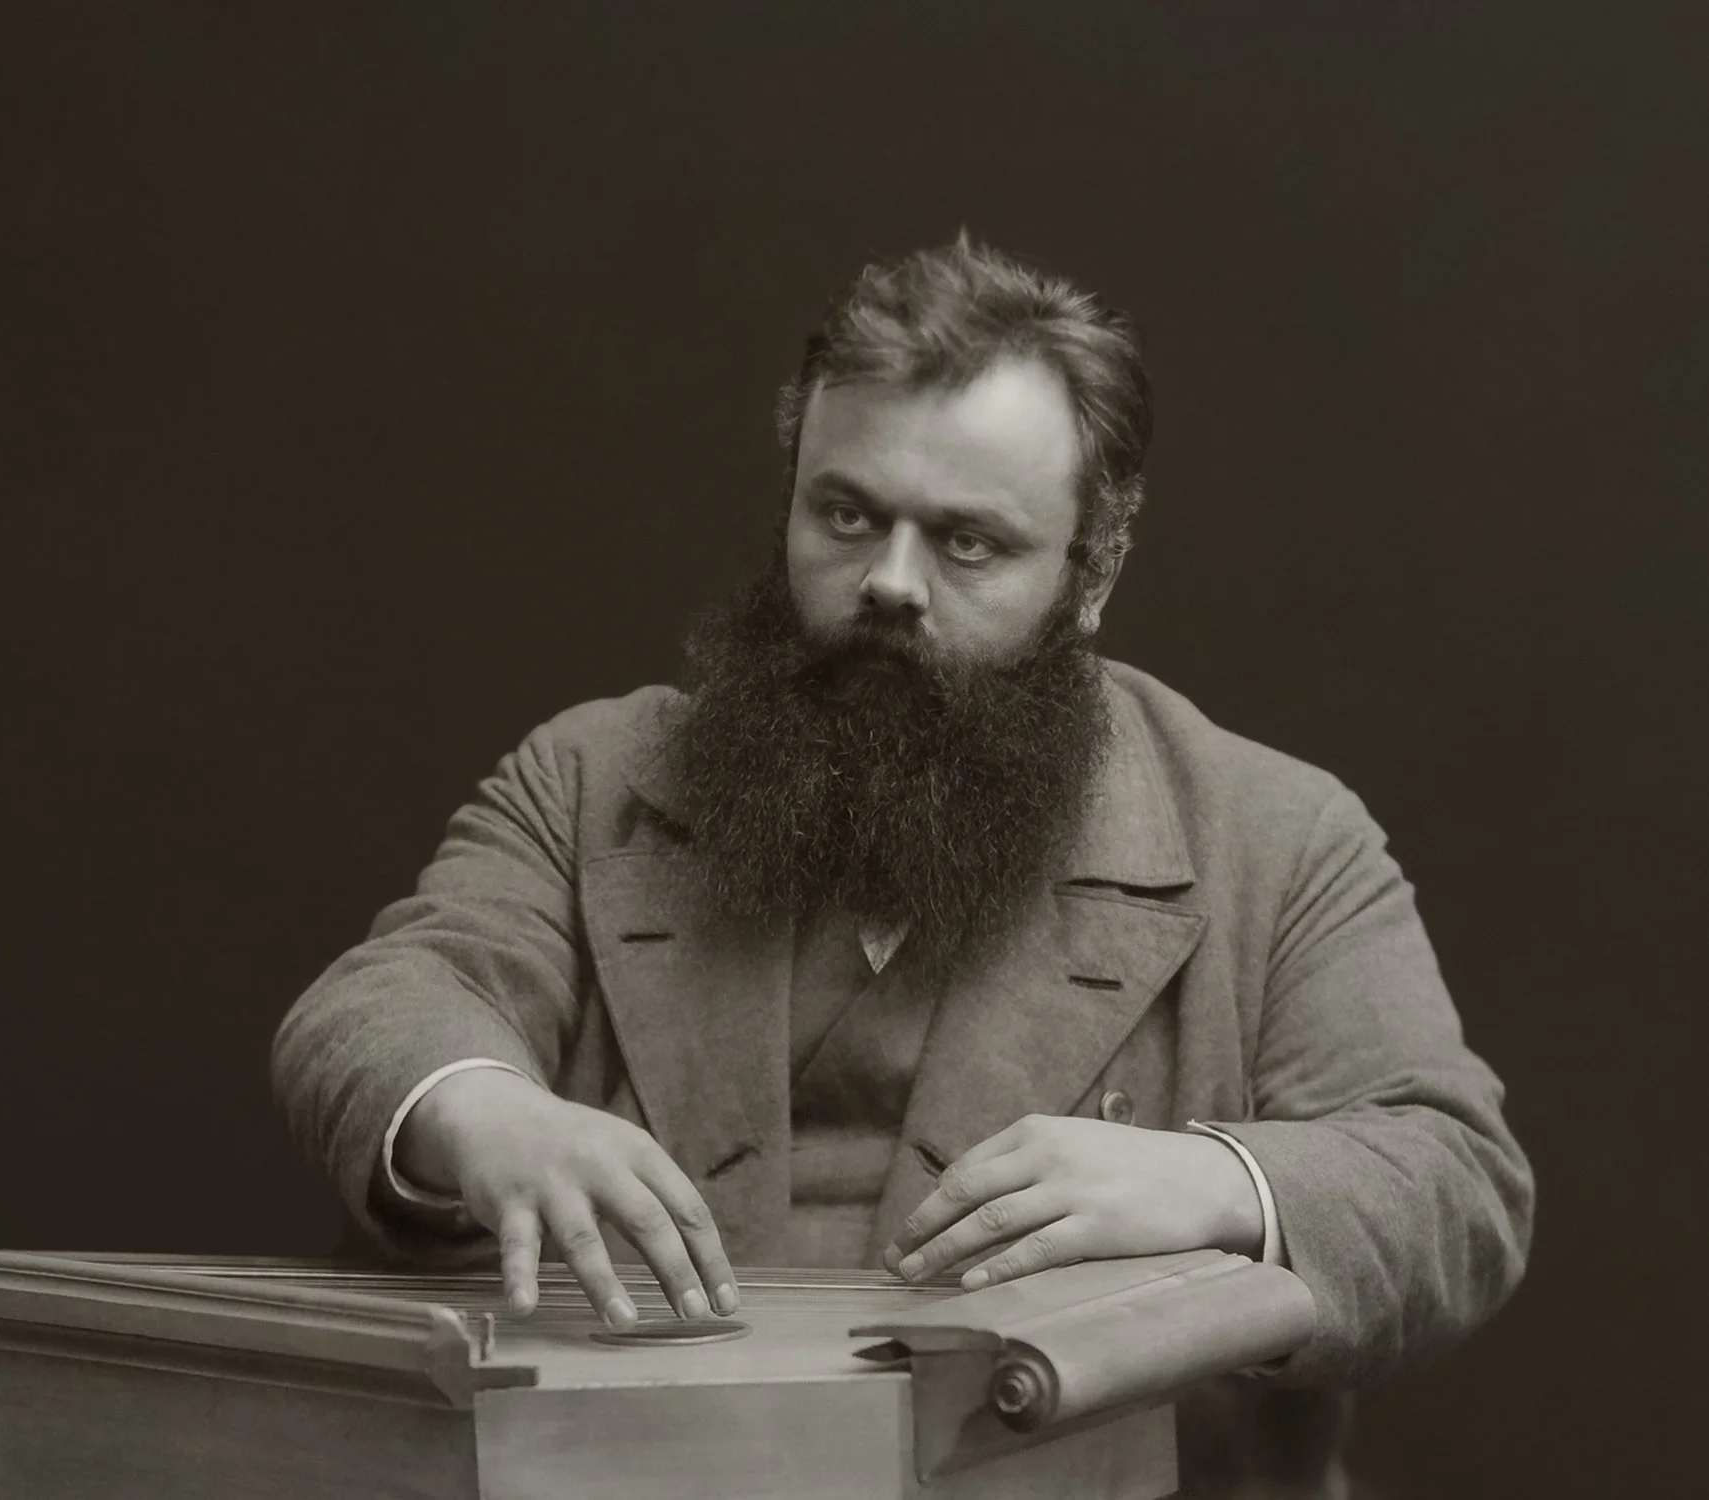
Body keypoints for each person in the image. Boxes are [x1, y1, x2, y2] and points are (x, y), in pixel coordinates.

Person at [272, 235, 1532, 1495]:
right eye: (846, 514)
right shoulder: (593, 777)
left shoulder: (1281, 838)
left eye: (968, 543)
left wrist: (1214, 1180)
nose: (889, 583)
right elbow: (387, 997)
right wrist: (481, 1109)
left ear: (1091, 576)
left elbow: (1456, 1190)